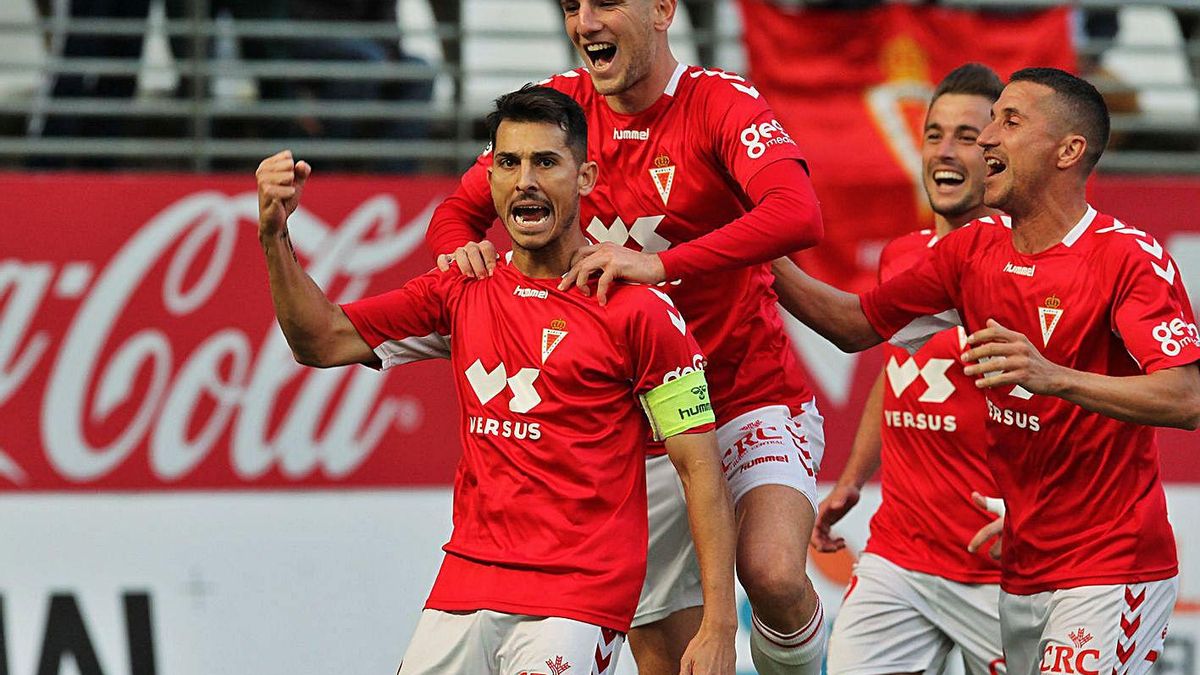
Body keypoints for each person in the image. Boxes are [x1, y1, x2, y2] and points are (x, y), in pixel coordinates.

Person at [254, 86, 737, 675]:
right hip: (466, 584)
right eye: (508, 163)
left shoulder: (640, 311)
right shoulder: (463, 287)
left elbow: (698, 465)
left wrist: (719, 623)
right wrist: (275, 237)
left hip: (577, 599)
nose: (524, 180)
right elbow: (320, 340)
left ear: (585, 178)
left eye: (545, 162)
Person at [425, 2, 827, 673]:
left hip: (742, 397)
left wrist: (664, 262)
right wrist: (457, 254)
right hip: (633, 431)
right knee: (669, 661)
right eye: (571, 5)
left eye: (606, 1)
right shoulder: (558, 111)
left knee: (775, 572)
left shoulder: (720, 102)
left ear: (665, 9)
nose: (584, 21)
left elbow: (798, 212)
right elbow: (456, 212)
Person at [772, 67, 1200, 674]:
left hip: (1111, 565)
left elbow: (1187, 398)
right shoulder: (970, 252)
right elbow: (853, 325)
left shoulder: (1125, 256)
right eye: (991, 121)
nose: (987, 140)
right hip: (1019, 568)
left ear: (1068, 151)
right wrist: (748, 247)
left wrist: (1053, 375)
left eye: (1009, 121)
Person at [804, 63, 1008, 675]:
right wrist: (852, 478)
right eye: (933, 133)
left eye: (967, 137)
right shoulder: (903, 254)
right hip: (901, 553)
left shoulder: (1020, 263)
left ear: (998, 153)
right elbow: (900, 367)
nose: (944, 151)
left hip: (996, 564)